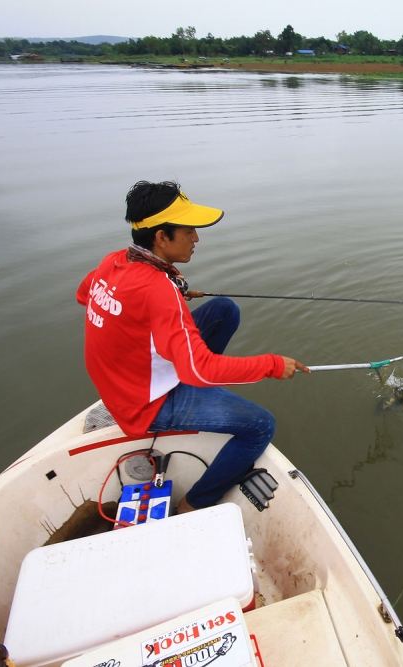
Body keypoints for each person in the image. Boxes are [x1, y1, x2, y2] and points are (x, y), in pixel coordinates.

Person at [76, 180, 308, 514]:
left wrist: (156, 305)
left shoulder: (114, 261)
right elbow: (199, 368)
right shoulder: (157, 291)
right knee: (261, 426)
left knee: (224, 310)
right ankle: (192, 504)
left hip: (124, 376)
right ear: (161, 237)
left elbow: (84, 296)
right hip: (141, 401)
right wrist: (273, 364)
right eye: (189, 231)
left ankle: (199, 396)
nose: (196, 238)